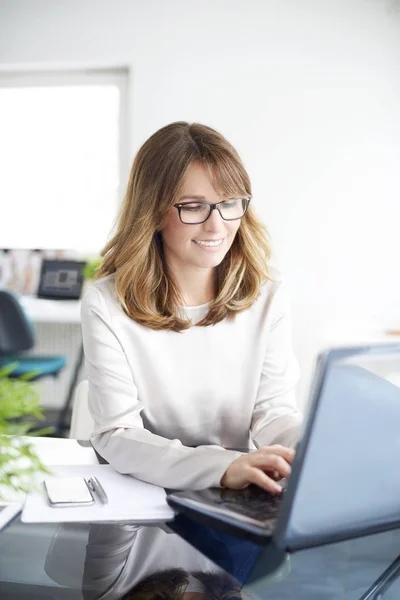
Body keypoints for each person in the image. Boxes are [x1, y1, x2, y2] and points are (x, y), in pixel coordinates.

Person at [81, 121, 302, 494]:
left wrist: (306, 450)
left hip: (236, 494)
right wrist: (224, 465)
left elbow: (274, 412)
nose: (217, 226)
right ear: (152, 210)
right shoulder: (106, 303)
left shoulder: (267, 296)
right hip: (141, 495)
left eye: (229, 203)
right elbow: (116, 434)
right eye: (193, 206)